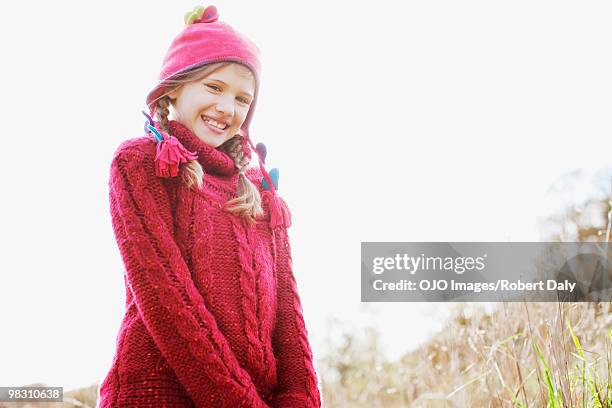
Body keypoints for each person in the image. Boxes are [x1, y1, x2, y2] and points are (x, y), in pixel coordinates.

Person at [97, 5, 321, 407]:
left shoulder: (259, 189)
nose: (227, 108)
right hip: (159, 396)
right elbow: (168, 302)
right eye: (214, 88)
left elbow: (288, 314)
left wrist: (299, 398)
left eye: (242, 99)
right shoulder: (141, 164)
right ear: (174, 88)